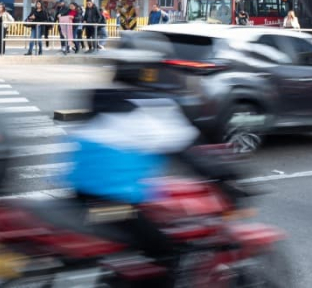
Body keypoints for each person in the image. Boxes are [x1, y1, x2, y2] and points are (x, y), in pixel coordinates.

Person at [65, 90, 238, 286]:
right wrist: (227, 182)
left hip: (79, 196)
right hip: (110, 207)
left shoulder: (117, 109)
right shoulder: (162, 118)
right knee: (164, 251)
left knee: (140, 232)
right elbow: (197, 161)